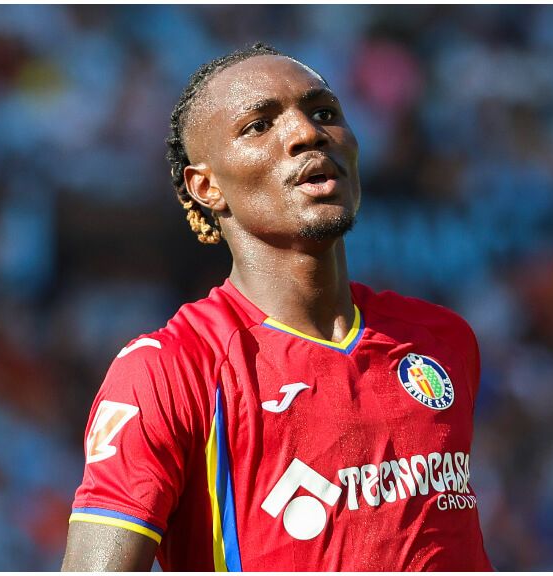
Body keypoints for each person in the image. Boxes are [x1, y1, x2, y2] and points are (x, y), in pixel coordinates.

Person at [61, 43, 494, 571]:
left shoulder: (440, 337)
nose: (307, 133)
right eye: (259, 126)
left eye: (325, 113)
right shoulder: (171, 370)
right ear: (206, 186)